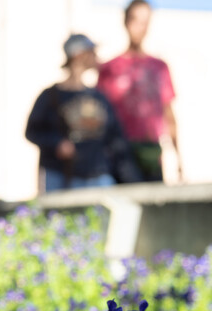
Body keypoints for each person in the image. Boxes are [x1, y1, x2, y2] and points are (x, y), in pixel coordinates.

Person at [25, 34, 142, 193]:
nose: (96, 57)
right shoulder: (50, 96)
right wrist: (57, 143)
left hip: (98, 178)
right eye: (91, 52)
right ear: (78, 55)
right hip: (61, 177)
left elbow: (116, 140)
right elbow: (32, 131)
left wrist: (131, 178)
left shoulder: (99, 97)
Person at [97, 0, 182, 183]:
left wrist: (178, 157)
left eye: (146, 22)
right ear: (126, 22)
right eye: (136, 21)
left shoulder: (159, 67)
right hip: (119, 152)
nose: (141, 28)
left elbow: (169, 113)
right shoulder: (109, 69)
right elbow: (100, 117)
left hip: (152, 150)